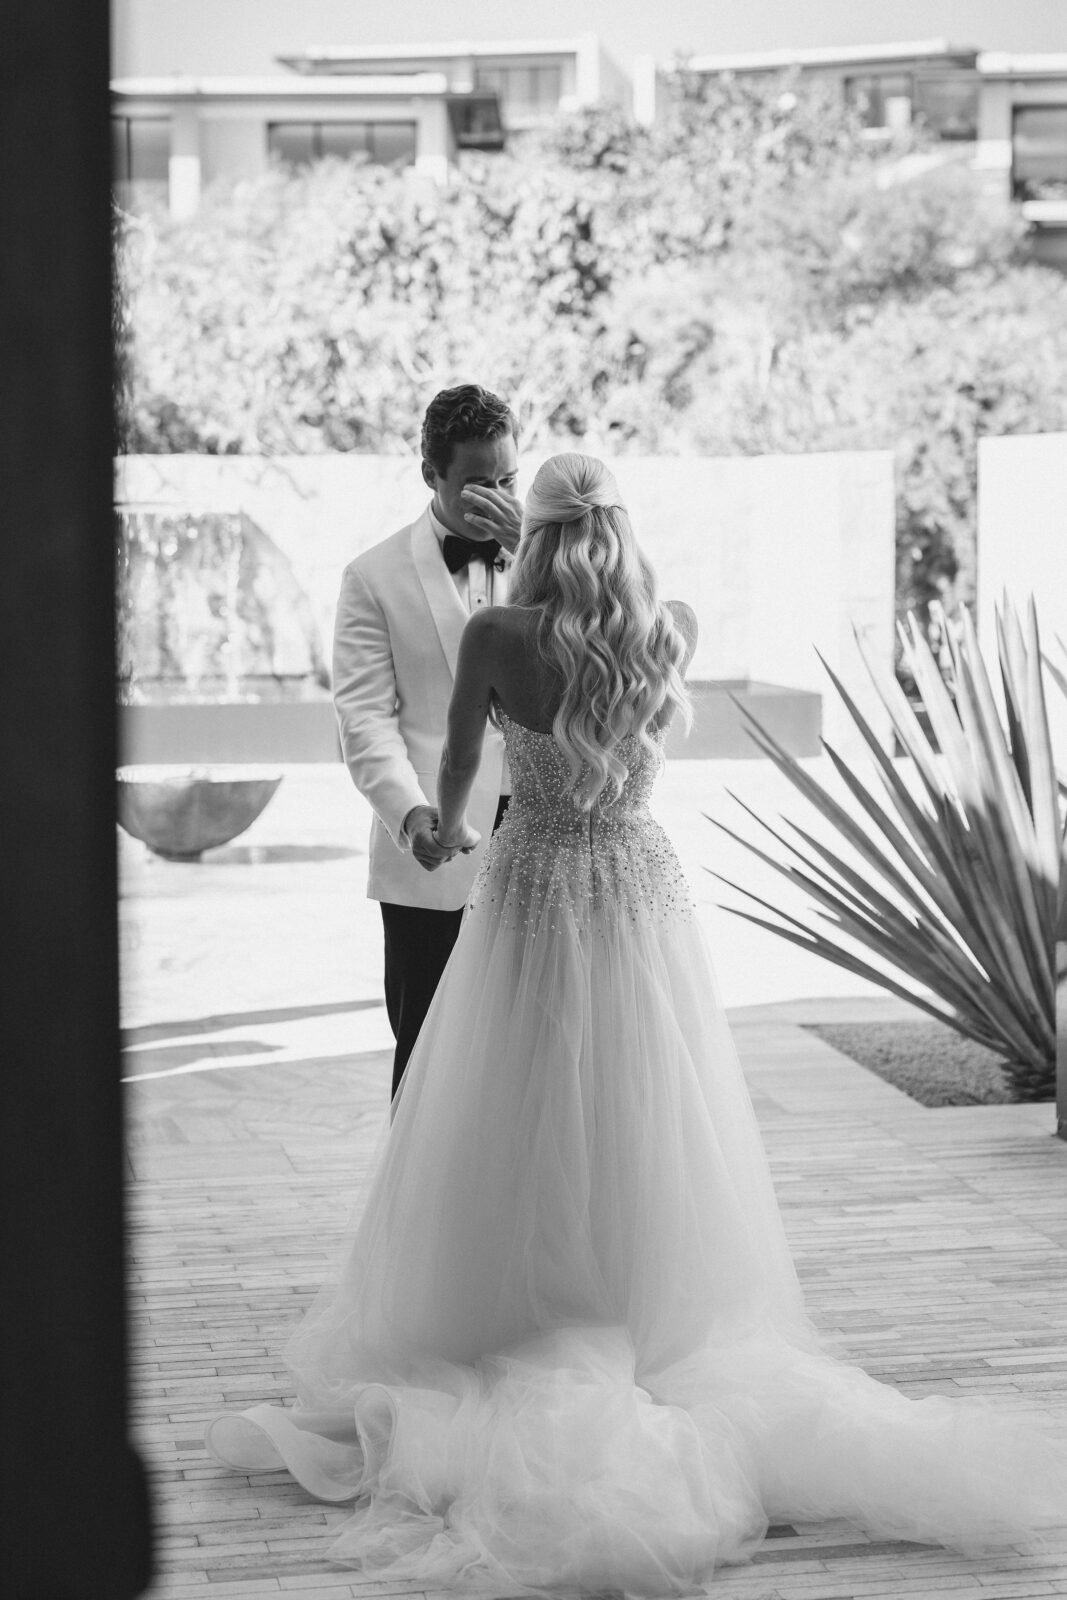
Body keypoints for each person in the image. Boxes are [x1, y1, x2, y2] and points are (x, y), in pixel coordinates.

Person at [208, 455, 1067, 1594]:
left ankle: (524, 1303)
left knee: (518, 1100)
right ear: (616, 529)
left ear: (539, 534)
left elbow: (462, 773)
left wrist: (435, 834)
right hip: (635, 897)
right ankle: (641, 1307)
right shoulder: (671, 627)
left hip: (528, 890)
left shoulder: (494, 637)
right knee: (639, 1100)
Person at [332, 384, 522, 1098]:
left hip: (544, 836)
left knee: (534, 1047)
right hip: (431, 849)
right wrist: (413, 815)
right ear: (430, 474)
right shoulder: (372, 577)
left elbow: (603, 642)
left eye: (509, 479)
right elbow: (364, 718)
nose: (498, 497)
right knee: (425, 1060)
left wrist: (531, 549)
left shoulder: (550, 562)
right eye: (478, 481)